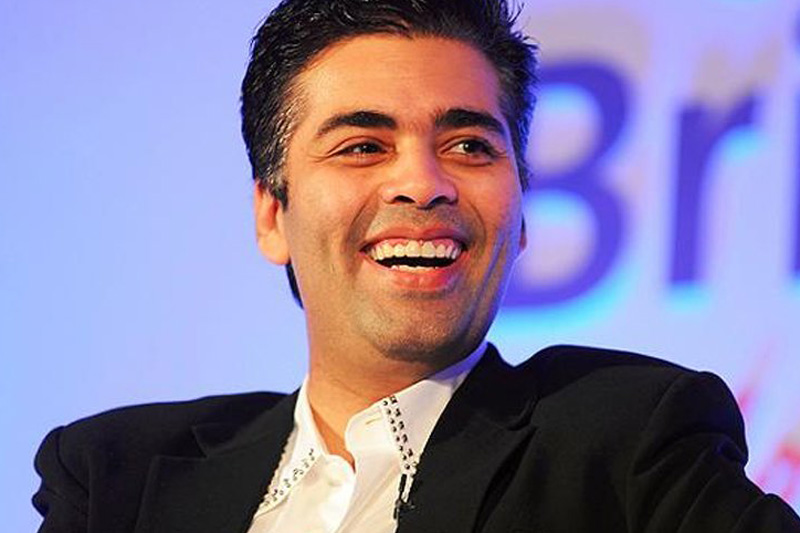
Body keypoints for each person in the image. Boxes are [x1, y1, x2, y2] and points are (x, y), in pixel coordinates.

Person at [32, 0, 800, 531]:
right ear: (272, 214)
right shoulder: (115, 477)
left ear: (522, 212)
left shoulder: (628, 446)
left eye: (469, 145)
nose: (423, 183)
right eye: (363, 145)